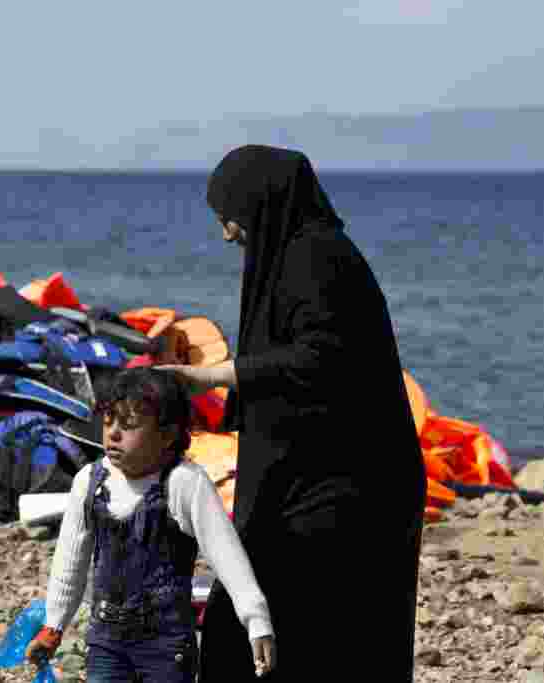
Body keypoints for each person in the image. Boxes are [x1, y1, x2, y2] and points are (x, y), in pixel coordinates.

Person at [157, 144, 427, 681]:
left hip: (348, 493)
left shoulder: (319, 258)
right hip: (312, 482)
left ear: (262, 205)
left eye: (230, 217)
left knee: (316, 633)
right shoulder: (297, 256)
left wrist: (213, 376)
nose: (228, 233)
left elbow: (322, 359)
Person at [25, 367, 277, 682]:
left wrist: (256, 619)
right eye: (107, 421)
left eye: (128, 425)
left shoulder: (184, 482)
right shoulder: (89, 482)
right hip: (106, 641)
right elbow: (69, 563)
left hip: (167, 645)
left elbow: (227, 557)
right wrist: (54, 626)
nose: (113, 434)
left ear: (168, 435)